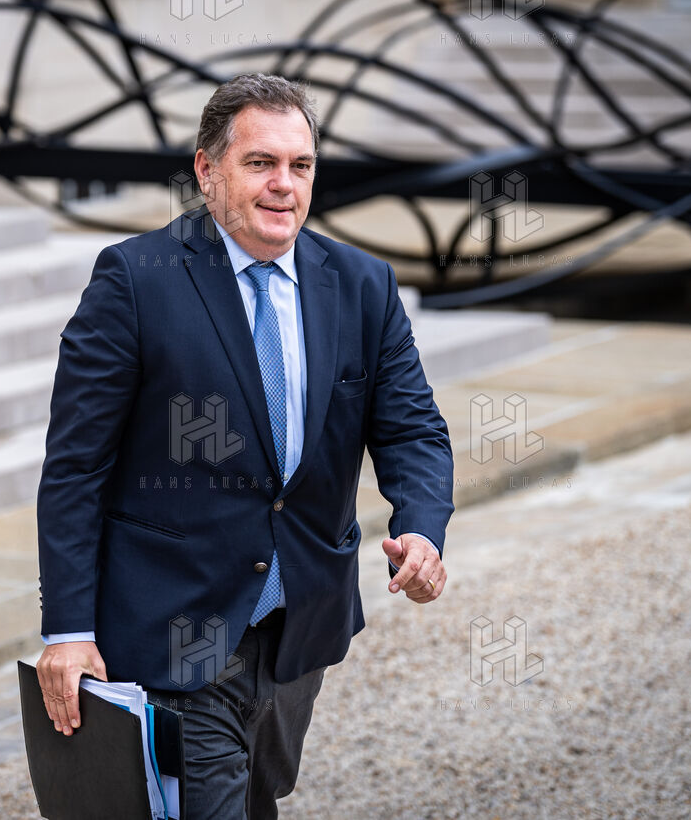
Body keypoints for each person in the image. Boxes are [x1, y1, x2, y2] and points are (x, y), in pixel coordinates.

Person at [34, 72, 454, 819]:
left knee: (257, 798)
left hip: (299, 627)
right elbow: (75, 468)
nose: (283, 184)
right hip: (177, 629)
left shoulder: (362, 285)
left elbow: (412, 427)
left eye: (301, 165)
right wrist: (69, 630)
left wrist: (420, 528)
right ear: (207, 169)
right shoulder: (134, 280)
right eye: (260, 163)